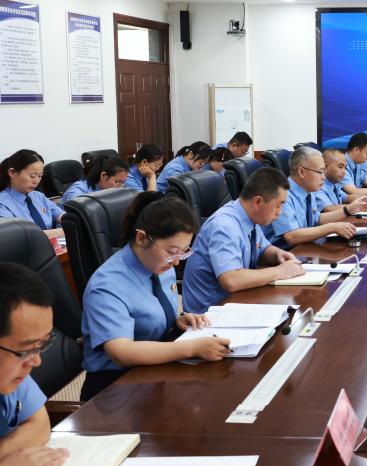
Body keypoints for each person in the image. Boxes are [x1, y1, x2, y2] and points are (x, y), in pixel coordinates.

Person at [80, 193, 230, 400]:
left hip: (157, 368)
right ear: (142, 238)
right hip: (115, 386)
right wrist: (191, 348)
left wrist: (177, 321)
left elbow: (149, 315)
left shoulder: (160, 266)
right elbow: (121, 352)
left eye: (183, 252)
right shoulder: (107, 286)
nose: (176, 262)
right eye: (172, 252)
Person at [183, 168, 305, 314]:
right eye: (278, 205)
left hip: (237, 301)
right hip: (209, 314)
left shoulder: (248, 216)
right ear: (258, 202)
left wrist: (278, 254)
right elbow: (231, 280)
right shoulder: (225, 226)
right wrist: (280, 271)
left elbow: (262, 249)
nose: (280, 211)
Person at [0, 262, 69, 466]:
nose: (36, 361)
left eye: (42, 345)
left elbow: (40, 426)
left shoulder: (10, 377)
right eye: (26, 350)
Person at [263, 147, 359, 248]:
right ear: (301, 172)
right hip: (284, 253)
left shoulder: (308, 191)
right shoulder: (282, 195)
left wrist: (348, 210)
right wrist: (332, 228)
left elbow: (317, 219)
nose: (323, 177)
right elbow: (292, 236)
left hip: (303, 248)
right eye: (320, 172)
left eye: (324, 172)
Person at [0, 150, 64, 238]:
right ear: (12, 173)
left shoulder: (38, 196)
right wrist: (62, 232)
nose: (36, 181)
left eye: (40, 176)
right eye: (32, 176)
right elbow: (18, 236)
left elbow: (62, 216)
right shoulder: (2, 204)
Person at [317, 148, 367, 215]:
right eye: (340, 167)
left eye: (345, 168)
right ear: (326, 166)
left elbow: (346, 198)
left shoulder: (334, 183)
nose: (344, 172)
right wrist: (357, 207)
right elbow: (328, 208)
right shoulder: (318, 185)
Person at [60, 155, 130, 203]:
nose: (121, 187)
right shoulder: (77, 193)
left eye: (123, 182)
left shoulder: (109, 189)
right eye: (117, 182)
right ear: (104, 176)